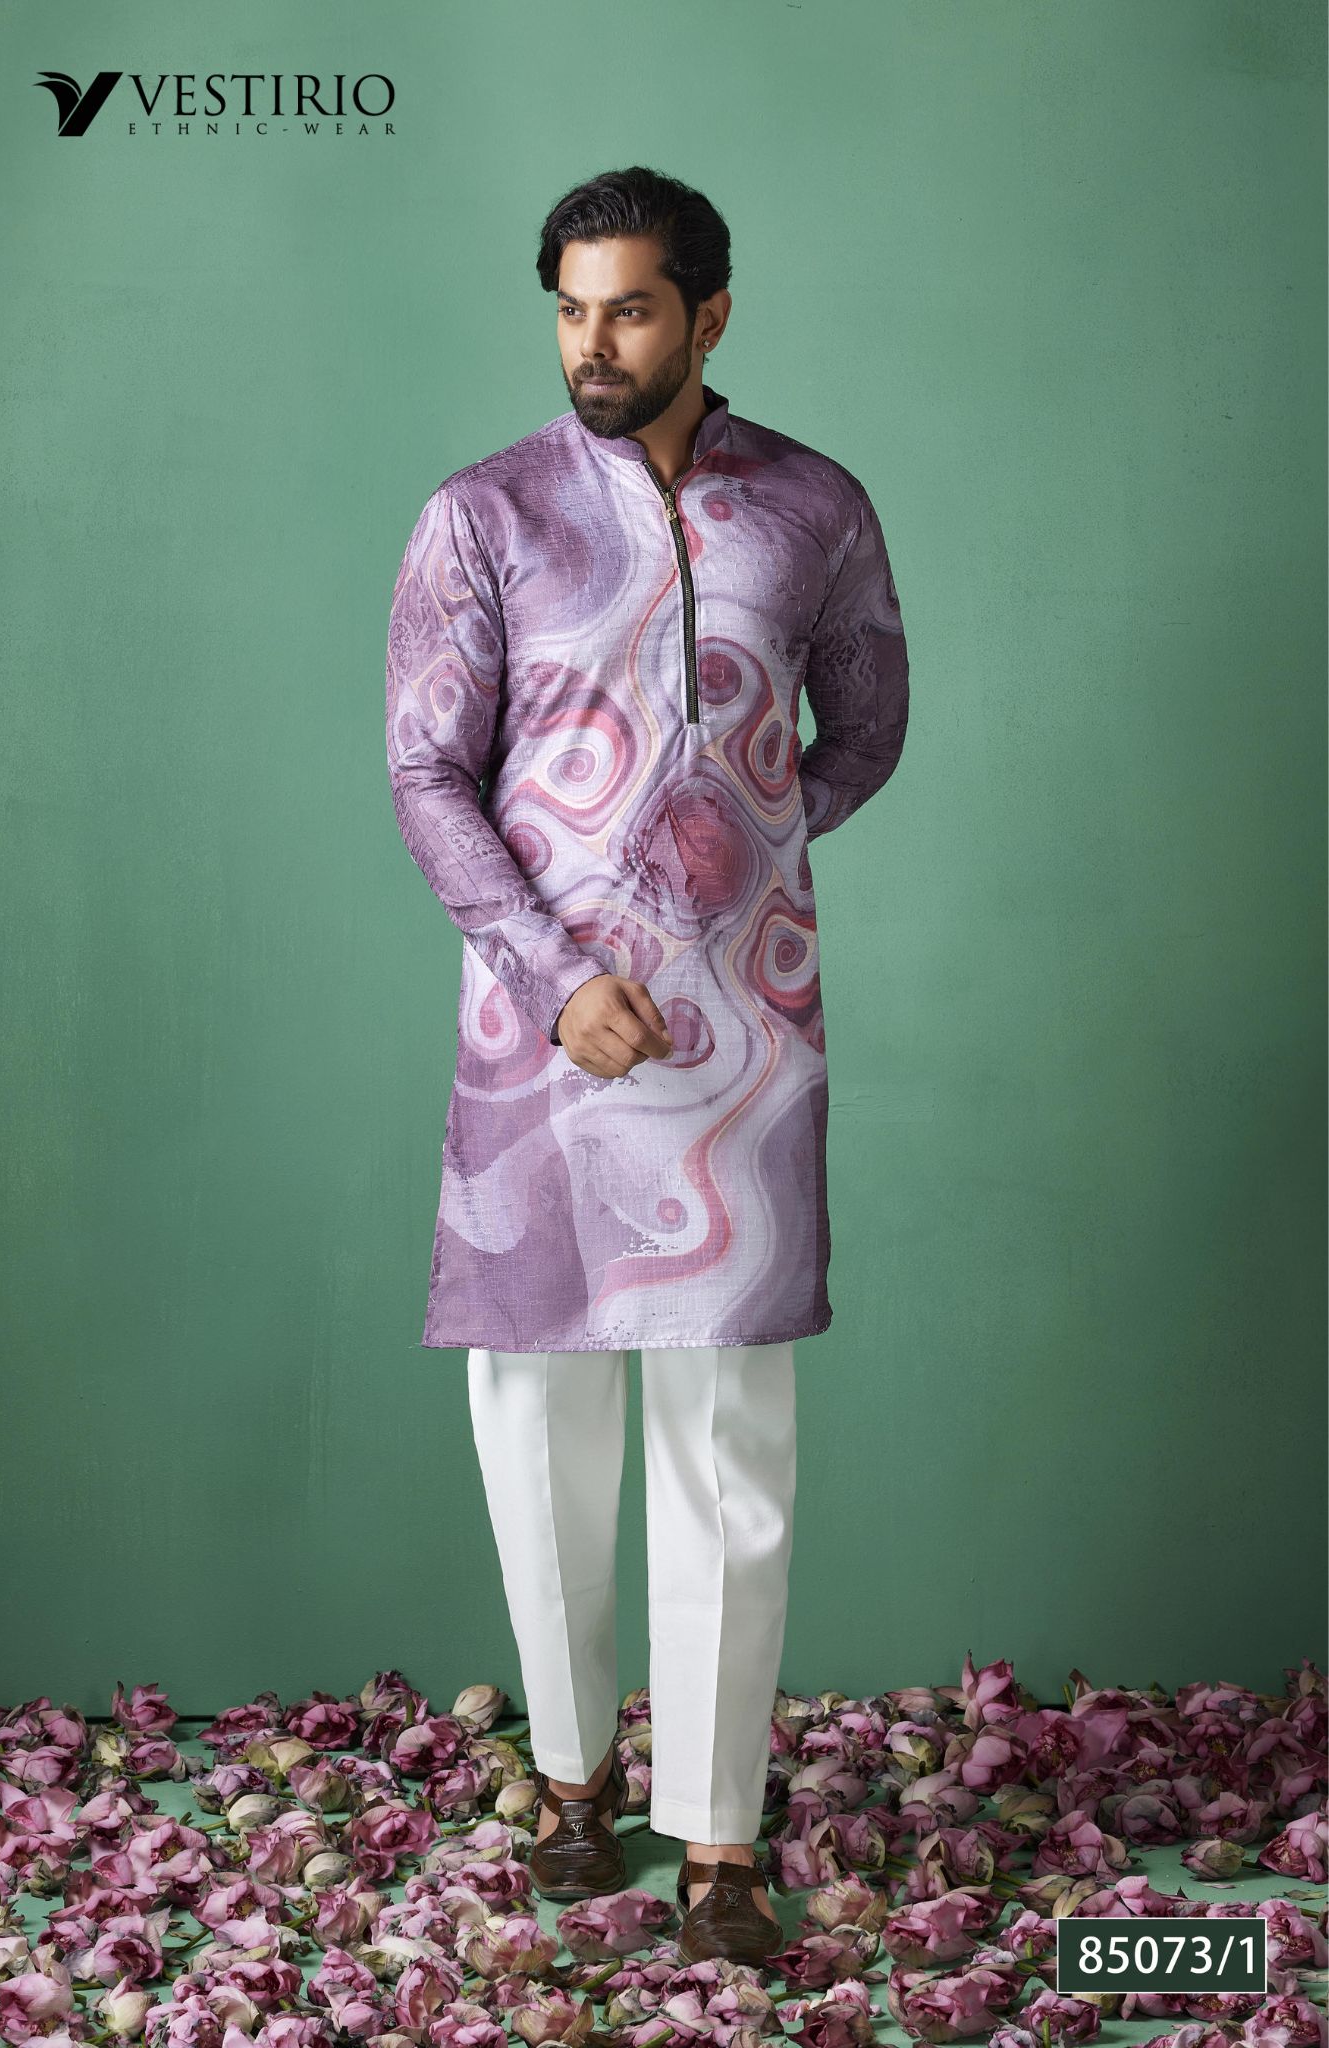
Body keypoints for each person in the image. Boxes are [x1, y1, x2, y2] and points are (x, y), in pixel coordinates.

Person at [384, 165, 910, 1964]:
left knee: (728, 1440)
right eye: (568, 309)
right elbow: (425, 775)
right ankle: (570, 1770)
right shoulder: (485, 514)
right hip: (538, 1044)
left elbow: (867, 725)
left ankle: (718, 1833)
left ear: (708, 313)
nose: (590, 344)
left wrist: (742, 865)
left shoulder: (814, 506)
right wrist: (553, 977)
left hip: (739, 1040)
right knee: (537, 1423)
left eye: (626, 308)